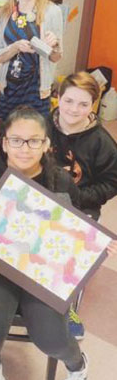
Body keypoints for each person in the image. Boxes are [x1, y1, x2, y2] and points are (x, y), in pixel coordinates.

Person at [0, 106, 117, 380]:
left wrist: (93, 247)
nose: (24, 148)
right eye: (16, 140)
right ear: (4, 142)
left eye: (34, 141)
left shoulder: (61, 182)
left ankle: (78, 366)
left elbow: (73, 227)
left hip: (43, 271)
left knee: (51, 337)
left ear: (46, 144)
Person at [49, 71, 117, 340]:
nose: (74, 109)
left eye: (83, 104)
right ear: (58, 98)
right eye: (68, 101)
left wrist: (77, 197)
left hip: (81, 205)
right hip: (42, 198)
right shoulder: (42, 125)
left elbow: (111, 183)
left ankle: (66, 307)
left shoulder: (103, 143)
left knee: (69, 253)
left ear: (93, 105)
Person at [0, 0, 63, 120]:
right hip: (9, 87)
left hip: (36, 90)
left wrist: (55, 45)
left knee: (35, 131)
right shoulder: (6, 12)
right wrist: (15, 47)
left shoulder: (52, 12)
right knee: (3, 130)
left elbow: (56, 57)